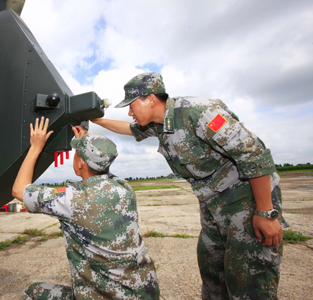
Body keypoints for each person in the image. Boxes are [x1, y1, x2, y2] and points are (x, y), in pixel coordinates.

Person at [92, 72, 288, 300]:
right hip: (213, 206)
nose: (129, 112)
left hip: (245, 200)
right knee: (213, 275)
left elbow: (253, 154)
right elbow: (127, 129)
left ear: (151, 99)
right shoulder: (159, 124)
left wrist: (266, 212)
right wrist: (95, 121)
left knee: (249, 281)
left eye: (132, 105)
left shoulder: (198, 112)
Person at [12, 117, 160, 300]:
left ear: (81, 163)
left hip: (106, 296)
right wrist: (88, 143)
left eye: (77, 153)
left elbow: (19, 190)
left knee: (34, 292)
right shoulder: (124, 189)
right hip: (145, 293)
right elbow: (101, 167)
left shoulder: (73, 199)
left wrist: (35, 147)